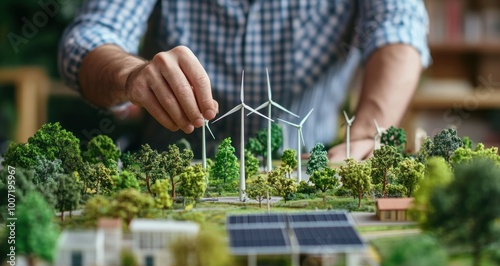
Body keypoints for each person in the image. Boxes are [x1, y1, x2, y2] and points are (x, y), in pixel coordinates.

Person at [58, 0, 430, 161]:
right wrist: (130, 73)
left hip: (312, 164)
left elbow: (398, 21)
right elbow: (89, 37)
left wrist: (366, 132)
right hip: (168, 168)